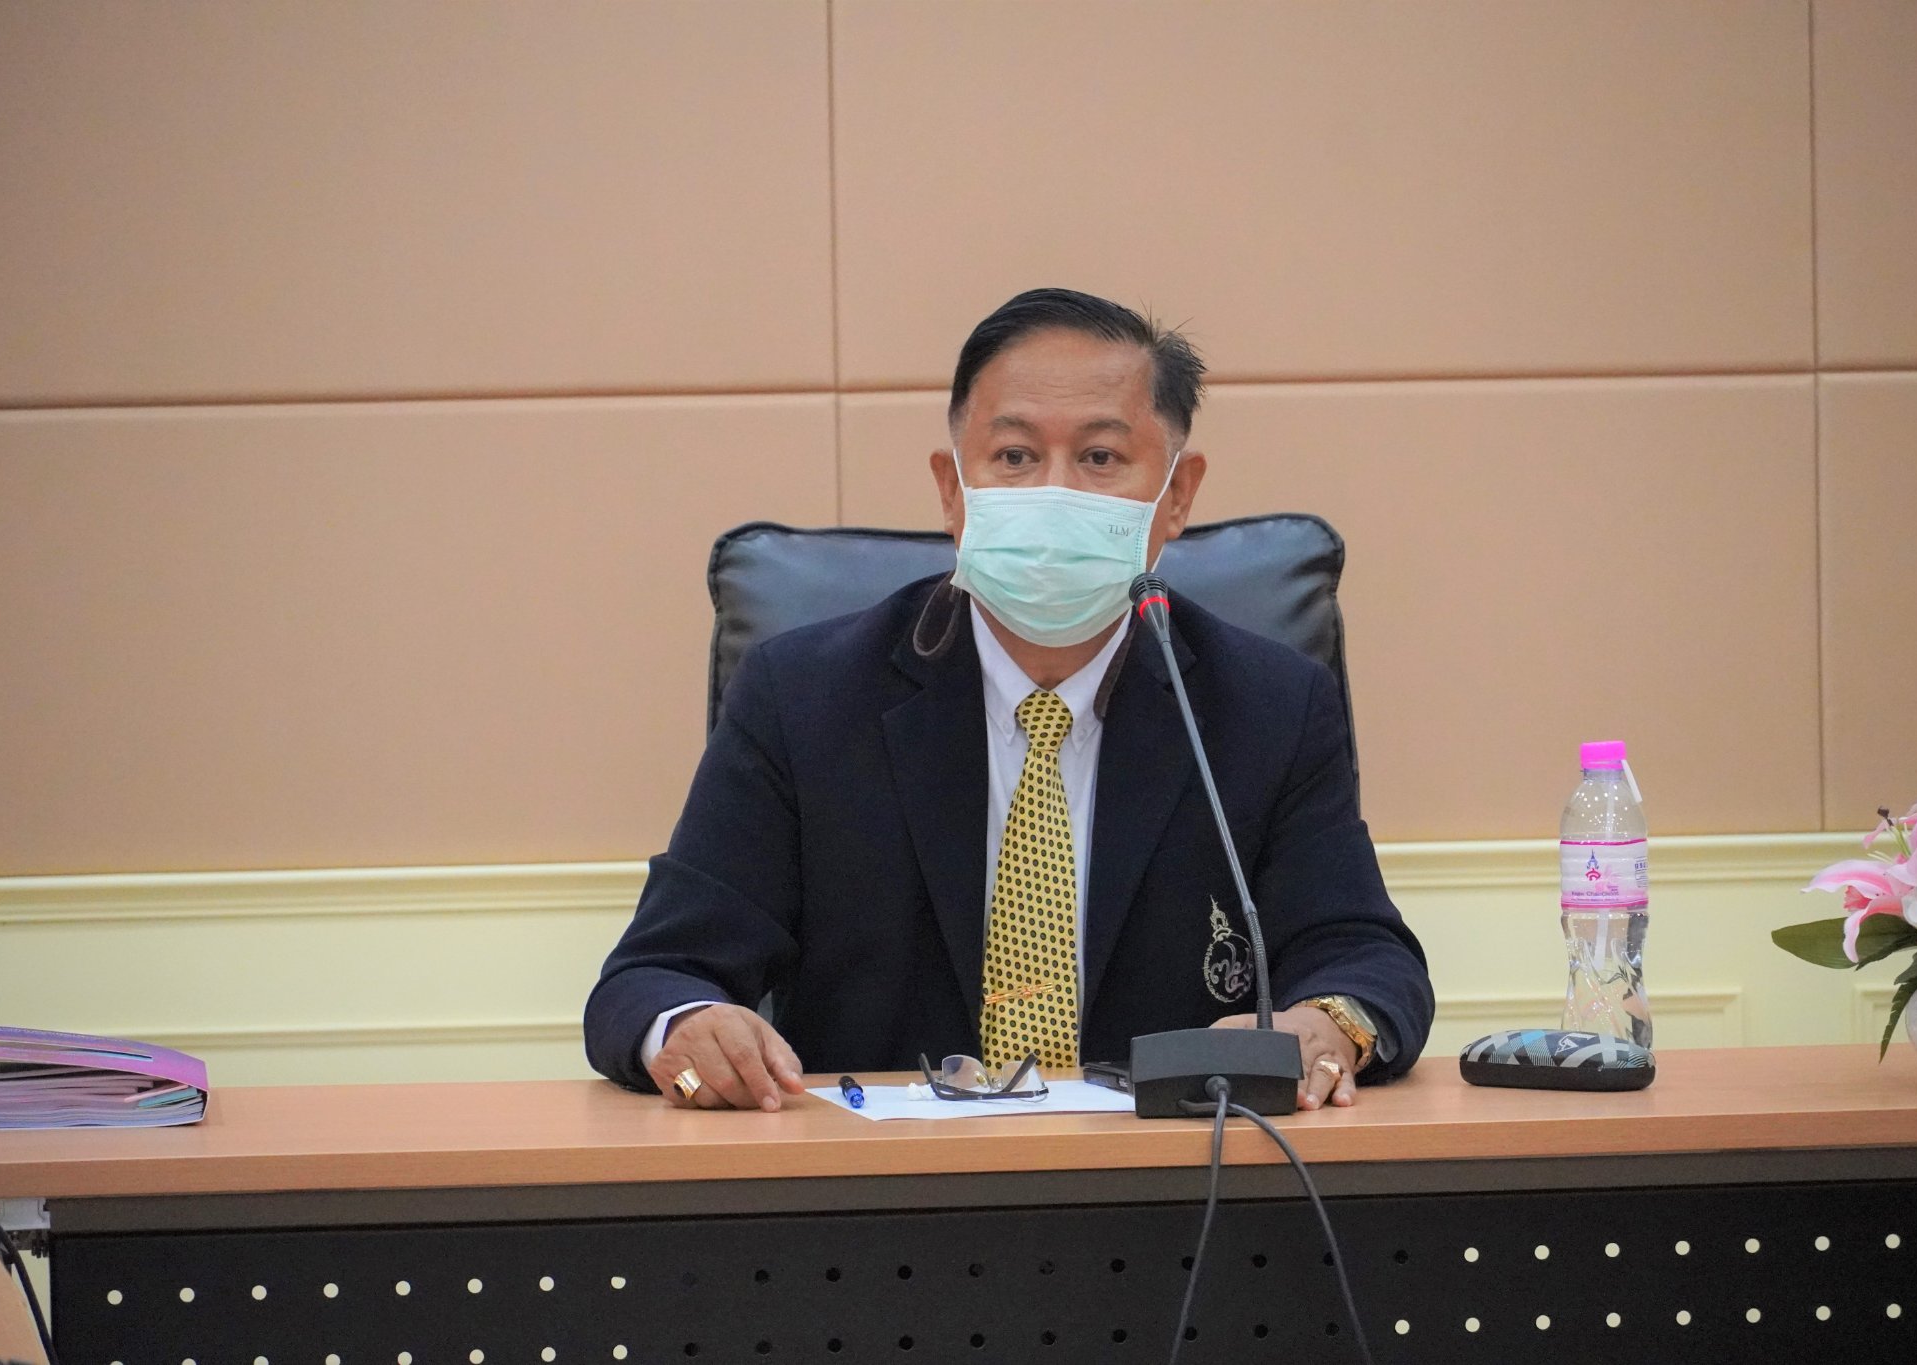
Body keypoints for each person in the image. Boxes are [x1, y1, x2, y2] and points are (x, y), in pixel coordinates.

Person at [584, 288, 1433, 1112]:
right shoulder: (803, 697)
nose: (1052, 493)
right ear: (953, 490)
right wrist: (689, 1026)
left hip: (1174, 1181)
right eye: (1016, 457)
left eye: (1100, 458)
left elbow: (1363, 958)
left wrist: (1326, 1023)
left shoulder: (1268, 705)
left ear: (1176, 495)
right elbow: (655, 975)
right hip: (879, 1185)